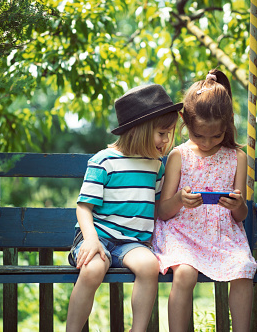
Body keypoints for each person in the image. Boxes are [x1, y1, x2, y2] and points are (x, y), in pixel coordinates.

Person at [66, 84, 183, 332]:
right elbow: (84, 208)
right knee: (93, 268)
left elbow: (157, 206)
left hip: (132, 243)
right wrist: (91, 240)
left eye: (169, 134)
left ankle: (137, 329)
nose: (166, 140)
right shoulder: (104, 161)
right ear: (139, 130)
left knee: (149, 266)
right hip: (98, 236)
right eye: (161, 133)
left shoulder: (156, 166)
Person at [152, 69, 257, 332]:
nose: (208, 142)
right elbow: (163, 212)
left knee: (244, 268)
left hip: (223, 235)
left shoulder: (237, 158)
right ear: (185, 122)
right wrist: (179, 200)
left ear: (228, 123)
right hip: (183, 233)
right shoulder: (179, 156)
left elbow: (241, 215)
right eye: (199, 135)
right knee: (185, 273)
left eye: (216, 136)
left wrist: (238, 205)